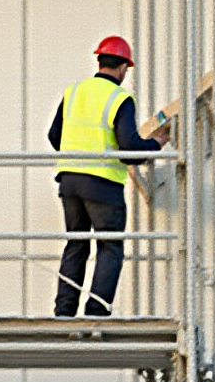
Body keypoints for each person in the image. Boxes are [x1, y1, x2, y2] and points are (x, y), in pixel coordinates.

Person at [50, 36, 170, 317]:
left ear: (100, 61)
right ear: (124, 68)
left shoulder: (74, 91)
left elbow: (54, 136)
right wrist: (156, 144)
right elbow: (130, 150)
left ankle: (64, 311)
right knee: (109, 247)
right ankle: (96, 311)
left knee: (76, 244)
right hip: (102, 184)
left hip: (69, 180)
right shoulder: (120, 98)